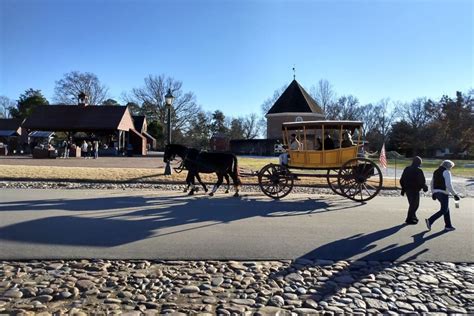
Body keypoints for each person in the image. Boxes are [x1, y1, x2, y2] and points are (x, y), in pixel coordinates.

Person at [425, 160, 460, 232]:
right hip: (443, 193)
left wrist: (433, 192)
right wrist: (455, 195)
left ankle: (448, 226)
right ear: (448, 166)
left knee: (446, 209)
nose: (451, 169)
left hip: (437, 192)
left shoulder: (436, 171)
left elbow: (432, 183)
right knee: (444, 210)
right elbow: (449, 185)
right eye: (451, 167)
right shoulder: (447, 172)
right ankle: (430, 220)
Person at [399, 156, 428, 224]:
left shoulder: (407, 169)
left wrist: (403, 189)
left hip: (407, 189)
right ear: (419, 163)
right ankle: (409, 218)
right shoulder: (418, 170)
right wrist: (424, 187)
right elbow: (421, 181)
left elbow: (402, 179)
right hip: (414, 189)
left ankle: (413, 217)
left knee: (412, 204)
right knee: (415, 205)